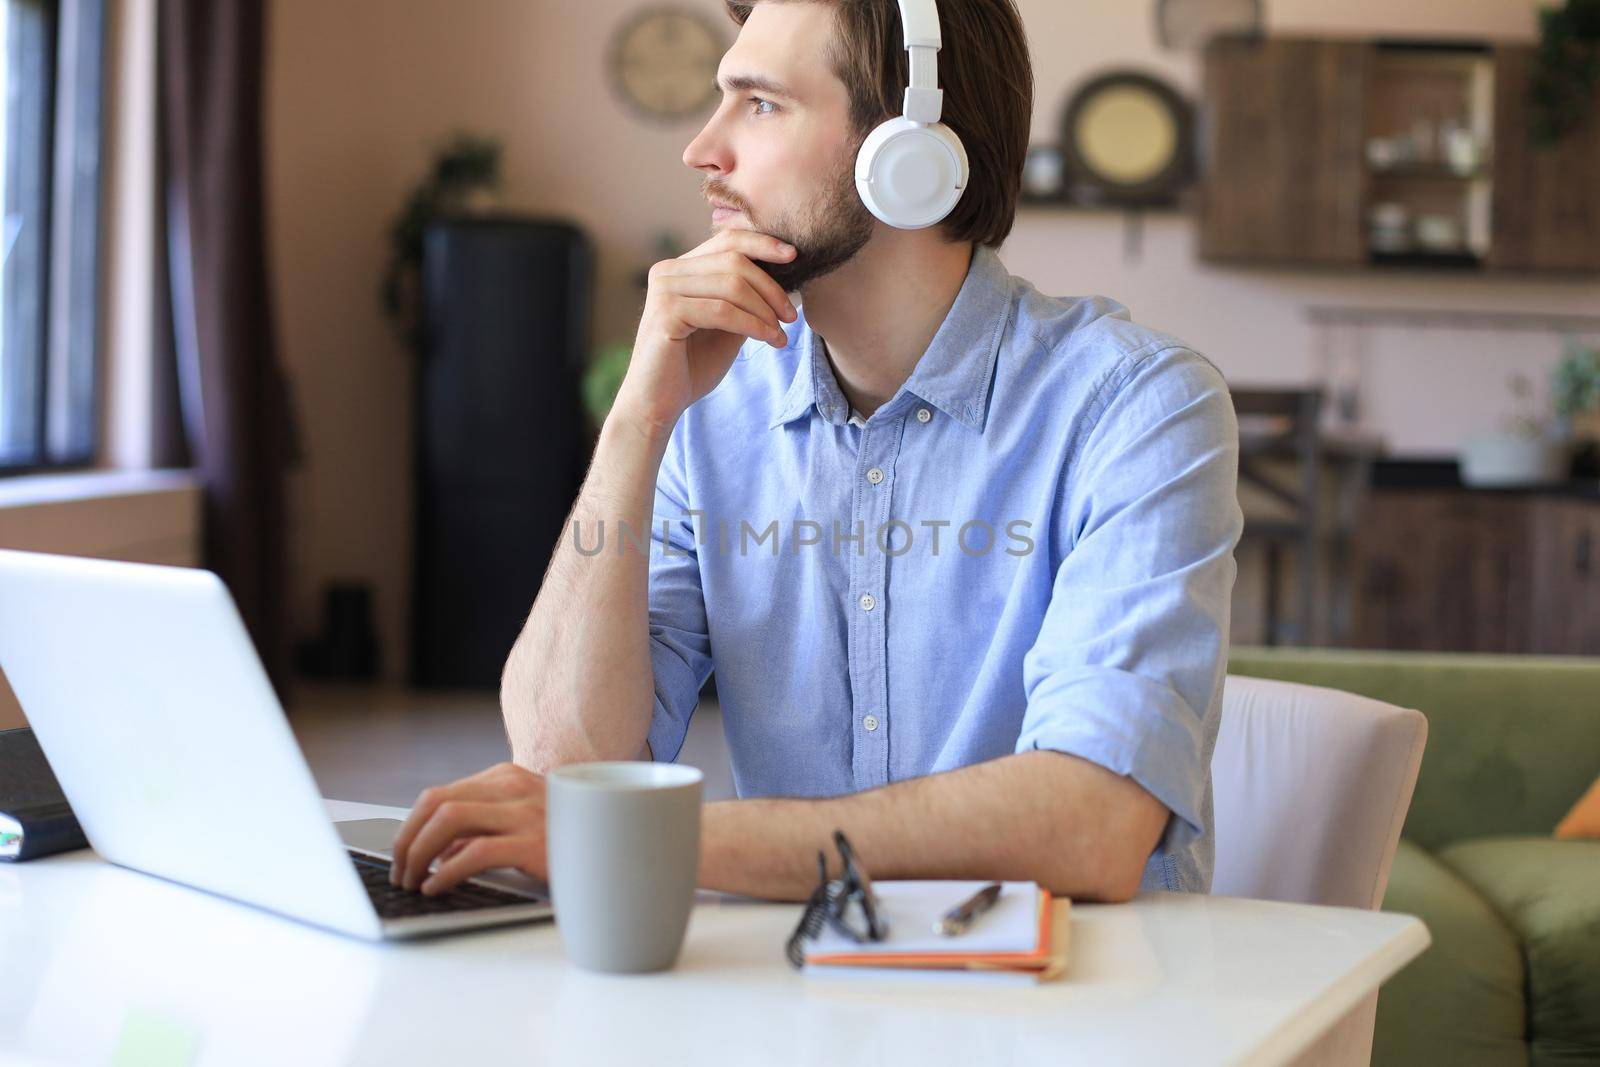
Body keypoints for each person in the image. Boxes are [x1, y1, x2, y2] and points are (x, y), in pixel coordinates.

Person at [389, 0, 1241, 904]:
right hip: (809, 1001)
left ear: (908, 155)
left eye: (759, 104)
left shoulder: (1139, 408)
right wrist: (640, 420)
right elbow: (565, 766)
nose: (702, 150)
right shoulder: (714, 412)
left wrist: (654, 837)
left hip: (1073, 1016)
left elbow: (1092, 822)